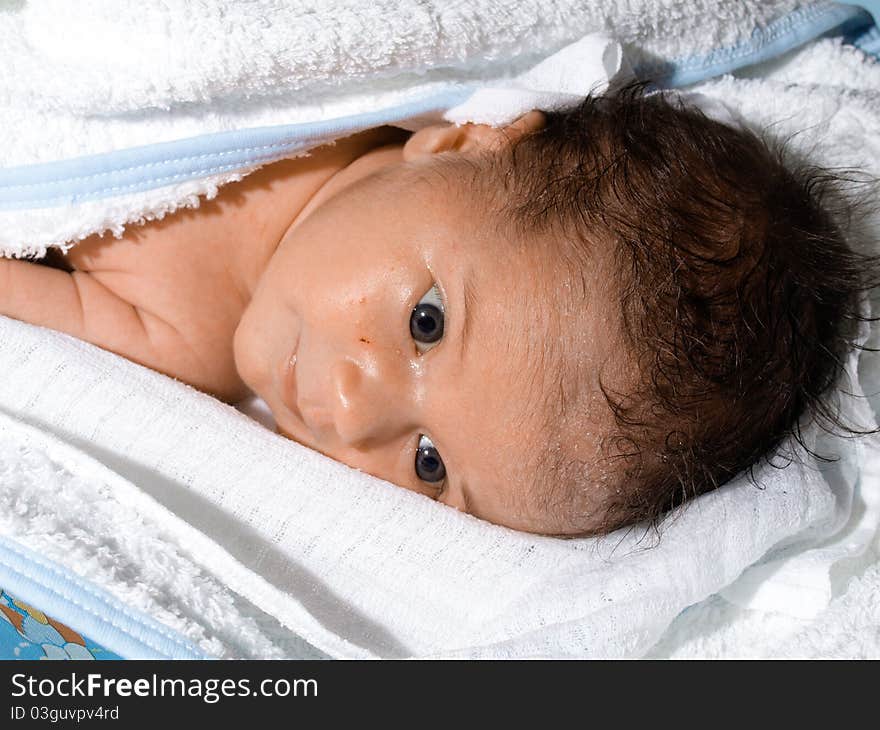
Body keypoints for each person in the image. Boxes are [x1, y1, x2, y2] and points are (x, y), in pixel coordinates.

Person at [2, 84, 875, 536]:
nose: (348, 408)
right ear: (460, 142)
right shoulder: (334, 81)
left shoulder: (173, 341)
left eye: (428, 463)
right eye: (427, 324)